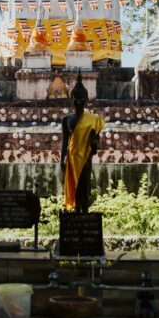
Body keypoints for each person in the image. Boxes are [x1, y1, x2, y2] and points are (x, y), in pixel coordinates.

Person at [60, 72, 103, 213]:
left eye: (82, 99)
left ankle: (84, 211)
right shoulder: (67, 119)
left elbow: (96, 145)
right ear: (71, 100)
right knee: (73, 186)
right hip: (72, 157)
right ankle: (75, 211)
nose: (79, 102)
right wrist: (62, 159)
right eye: (76, 99)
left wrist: (93, 142)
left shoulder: (93, 120)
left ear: (87, 101)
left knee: (84, 185)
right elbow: (65, 140)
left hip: (85, 157)